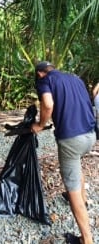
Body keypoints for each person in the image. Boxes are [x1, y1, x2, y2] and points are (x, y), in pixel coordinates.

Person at [31, 61, 96, 244]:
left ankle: (86, 239)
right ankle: (83, 199)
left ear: (41, 73)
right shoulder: (75, 79)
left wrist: (40, 124)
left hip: (71, 140)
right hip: (90, 135)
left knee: (72, 185)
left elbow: (48, 104)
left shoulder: (45, 80)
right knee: (76, 165)